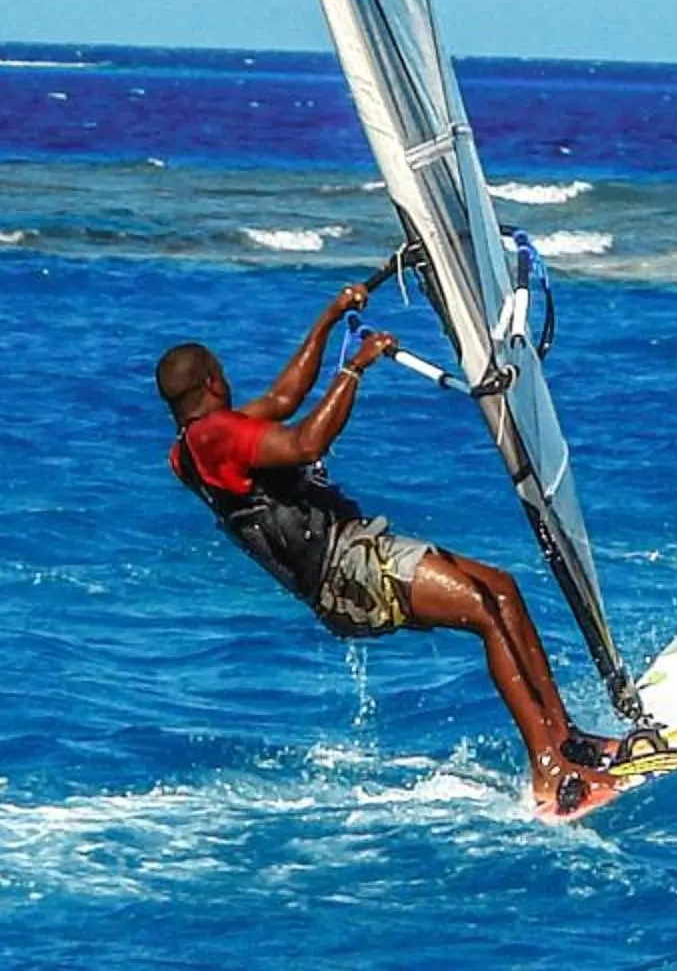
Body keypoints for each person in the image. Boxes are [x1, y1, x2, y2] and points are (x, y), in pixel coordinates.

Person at [157, 287, 632, 815]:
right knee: (482, 608)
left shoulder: (194, 445)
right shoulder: (213, 437)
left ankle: (566, 739)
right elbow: (305, 443)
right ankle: (549, 770)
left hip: (357, 552)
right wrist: (355, 368)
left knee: (502, 588)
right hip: (347, 570)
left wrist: (331, 317)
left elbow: (285, 399)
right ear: (212, 381)